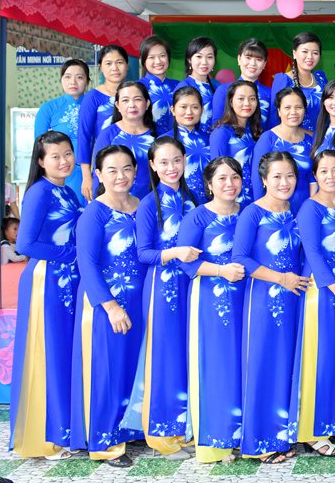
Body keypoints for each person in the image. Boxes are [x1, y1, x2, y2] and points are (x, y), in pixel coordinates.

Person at [233, 152, 311, 464]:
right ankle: (258, 442)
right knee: (262, 363)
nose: (284, 182)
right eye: (276, 176)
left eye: (289, 175)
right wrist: (281, 278)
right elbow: (240, 258)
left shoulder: (297, 210)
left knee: (286, 364)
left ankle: (282, 435)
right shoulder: (252, 213)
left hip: (295, 298)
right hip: (264, 298)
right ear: (264, 179)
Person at [70, 145, 145, 467]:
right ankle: (105, 442)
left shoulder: (142, 205)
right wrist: (111, 306)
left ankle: (130, 428)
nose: (120, 176)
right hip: (106, 304)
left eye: (126, 168)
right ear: (98, 175)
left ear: (136, 171)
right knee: (107, 371)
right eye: (112, 170)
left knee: (132, 366)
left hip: (140, 301)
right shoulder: (94, 213)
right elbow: (87, 264)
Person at [9, 132, 82, 460]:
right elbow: (25, 244)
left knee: (63, 354)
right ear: (41, 161)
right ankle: (44, 437)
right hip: (46, 281)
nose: (64, 161)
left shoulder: (66, 191)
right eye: (55, 156)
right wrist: (71, 254)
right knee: (48, 354)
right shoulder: (39, 192)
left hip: (68, 282)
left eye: (68, 153)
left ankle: (65, 429)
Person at [125, 137, 198, 460]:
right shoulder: (148, 204)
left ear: (185, 161)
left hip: (190, 286)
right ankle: (161, 436)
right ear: (152, 166)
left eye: (176, 160)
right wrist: (174, 253)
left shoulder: (191, 199)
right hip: (162, 287)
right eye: (164, 162)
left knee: (183, 356)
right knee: (163, 358)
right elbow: (143, 253)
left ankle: (182, 429)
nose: (172, 168)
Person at [176, 157, 247, 463]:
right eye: (221, 178)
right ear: (209, 184)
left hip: (245, 299)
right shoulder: (197, 217)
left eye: (235, 177)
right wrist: (221, 271)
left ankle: (242, 434)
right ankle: (216, 440)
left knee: (240, 363)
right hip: (210, 299)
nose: (229, 184)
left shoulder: (247, 212)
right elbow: (186, 262)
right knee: (216, 365)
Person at [290, 150, 335, 455]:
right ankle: (312, 430)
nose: (330, 176)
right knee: (318, 356)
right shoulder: (310, 208)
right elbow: (313, 253)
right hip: (321, 290)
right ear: (314, 175)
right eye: (324, 171)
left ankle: (334, 421)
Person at [251, 87, 315, 212]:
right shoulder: (268, 139)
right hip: (275, 208)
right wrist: (262, 210)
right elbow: (257, 178)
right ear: (279, 111)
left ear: (304, 110)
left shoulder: (310, 140)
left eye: (298, 107)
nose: (293, 112)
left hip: (306, 206)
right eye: (287, 108)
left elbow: (314, 177)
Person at [35, 58, 89, 203]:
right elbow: (39, 146)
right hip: (61, 171)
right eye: (67, 77)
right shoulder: (48, 108)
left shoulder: (95, 106)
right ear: (61, 80)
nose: (73, 82)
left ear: (87, 81)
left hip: (94, 170)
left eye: (79, 77)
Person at [79, 45, 128, 201]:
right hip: (105, 166)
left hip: (131, 166)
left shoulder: (135, 93)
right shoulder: (92, 97)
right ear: (100, 67)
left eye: (119, 62)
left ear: (127, 65)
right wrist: (87, 176)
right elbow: (84, 136)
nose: (114, 68)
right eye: (108, 63)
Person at [92, 81, 156, 199]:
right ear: (117, 105)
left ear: (147, 103)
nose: (132, 105)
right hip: (117, 201)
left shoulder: (158, 134)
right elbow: (98, 172)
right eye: (125, 100)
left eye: (137, 99)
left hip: (151, 200)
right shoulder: (108, 135)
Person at [210, 80, 261, 208]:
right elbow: (216, 171)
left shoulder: (254, 131)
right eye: (241, 99)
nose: (247, 103)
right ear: (231, 102)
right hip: (232, 198)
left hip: (255, 196)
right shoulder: (221, 132)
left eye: (252, 98)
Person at [270, 32, 326, 133]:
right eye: (305, 51)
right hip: (294, 140)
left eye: (315, 53)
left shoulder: (321, 79)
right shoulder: (283, 80)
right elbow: (274, 118)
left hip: (322, 139)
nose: (310, 57)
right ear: (294, 53)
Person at [212, 38, 275, 130]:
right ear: (239, 59)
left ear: (264, 64)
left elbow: (274, 129)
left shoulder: (271, 94)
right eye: (248, 58)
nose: (253, 63)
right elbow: (216, 125)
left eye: (258, 59)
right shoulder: (223, 90)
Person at [164, 86, 211, 205]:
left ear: (202, 110)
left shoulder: (209, 139)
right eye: (183, 107)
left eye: (195, 107)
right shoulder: (164, 142)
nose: (189, 112)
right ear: (173, 110)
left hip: (209, 203)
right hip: (178, 202)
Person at [174, 36, 218, 130]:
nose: (204, 62)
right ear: (189, 59)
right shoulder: (183, 87)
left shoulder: (216, 87)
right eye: (199, 56)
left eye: (209, 57)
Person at [138, 35, 179, 136]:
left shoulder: (178, 85)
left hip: (177, 142)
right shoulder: (137, 88)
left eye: (162, 56)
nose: (158, 61)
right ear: (144, 61)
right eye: (151, 57)